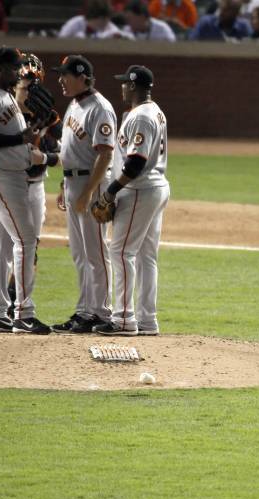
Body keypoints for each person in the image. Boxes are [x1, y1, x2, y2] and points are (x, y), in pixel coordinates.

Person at [0, 53, 61, 332]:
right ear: (1, 69)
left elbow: (24, 146)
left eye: (30, 78)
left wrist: (38, 133)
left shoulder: (8, 98)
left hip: (23, 181)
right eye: (19, 73)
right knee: (24, 241)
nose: (23, 79)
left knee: (11, 244)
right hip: (4, 177)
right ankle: (22, 313)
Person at [91, 65, 169, 336]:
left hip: (139, 190)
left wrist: (111, 190)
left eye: (125, 83)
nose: (122, 86)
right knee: (146, 256)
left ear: (134, 86)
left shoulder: (141, 117)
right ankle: (147, 320)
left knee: (121, 252)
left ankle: (123, 319)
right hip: (154, 189)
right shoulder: (153, 111)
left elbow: (135, 163)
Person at [51, 55, 116, 334]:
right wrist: (64, 185)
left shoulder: (100, 108)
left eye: (66, 75)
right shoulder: (74, 104)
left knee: (96, 252)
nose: (60, 80)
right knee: (80, 253)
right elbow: (70, 149)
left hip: (93, 183)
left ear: (83, 77)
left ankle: (102, 312)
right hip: (73, 183)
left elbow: (105, 153)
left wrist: (88, 193)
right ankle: (84, 311)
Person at [58, 0, 132, 39]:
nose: (106, 22)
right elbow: (61, 39)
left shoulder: (111, 29)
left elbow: (128, 37)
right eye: (104, 20)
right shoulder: (75, 23)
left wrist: (121, 37)